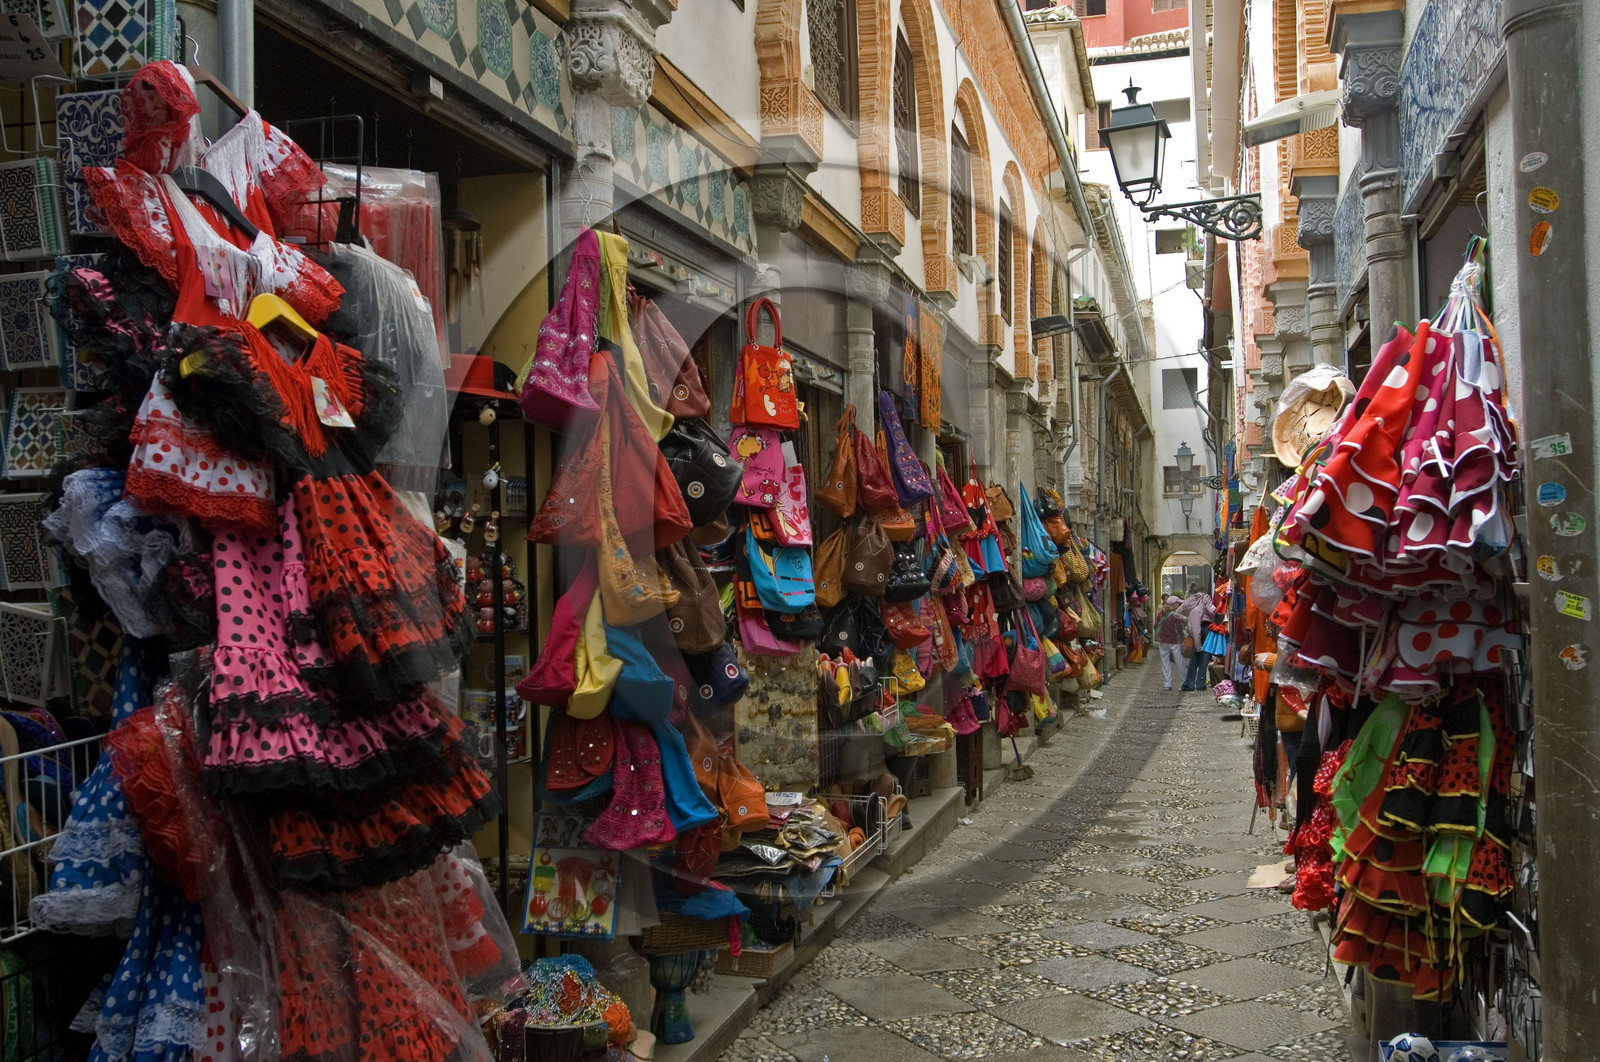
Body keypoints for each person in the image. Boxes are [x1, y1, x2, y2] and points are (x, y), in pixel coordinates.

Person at [1180, 584, 1217, 691]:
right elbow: (1211, 611)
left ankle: (1188, 684)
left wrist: (1187, 620)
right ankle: (1200, 683)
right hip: (1205, 627)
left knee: (1195, 655)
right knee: (1205, 655)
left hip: (1194, 627)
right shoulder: (1205, 597)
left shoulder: (1190, 600)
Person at [1154, 595, 1186, 691]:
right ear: (1174, 605)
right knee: (1179, 661)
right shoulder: (1175, 615)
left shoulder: (1161, 613)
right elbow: (1179, 629)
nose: (1179, 605)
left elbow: (1155, 625)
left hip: (1162, 640)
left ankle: (1167, 683)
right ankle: (1185, 681)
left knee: (1165, 662)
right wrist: (1182, 637)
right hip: (1173, 641)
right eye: (1178, 604)